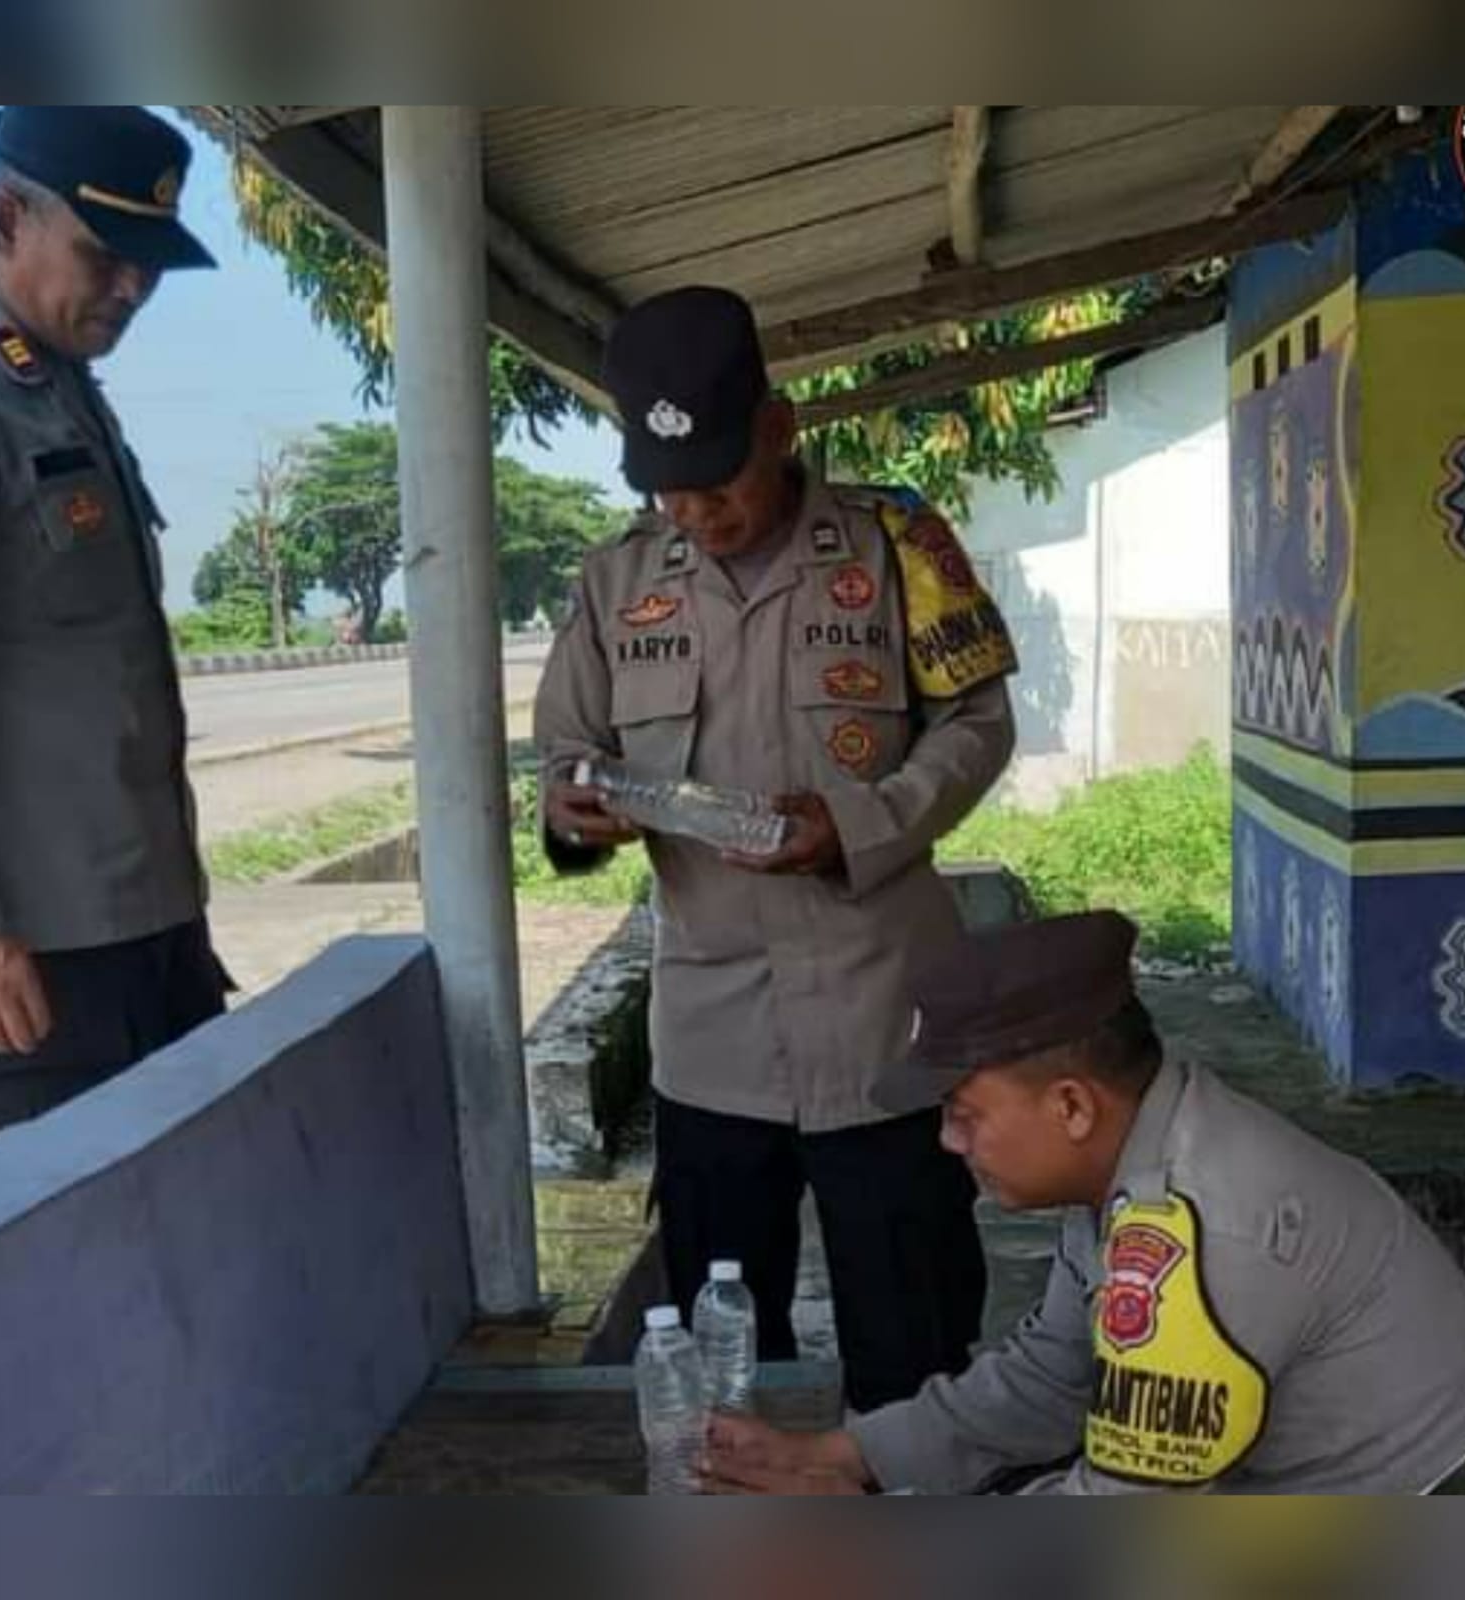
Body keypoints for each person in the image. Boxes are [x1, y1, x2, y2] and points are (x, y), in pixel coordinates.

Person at [534, 285, 1019, 1412]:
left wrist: (859, 821)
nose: (694, 510)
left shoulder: (898, 547)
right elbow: (566, 756)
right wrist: (572, 812)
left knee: (914, 1350)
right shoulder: (614, 583)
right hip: (710, 1045)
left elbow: (978, 724)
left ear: (778, 426)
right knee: (723, 1372)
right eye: (667, 487)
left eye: (717, 477)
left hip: (884, 1027)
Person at [703, 911, 1465, 1495]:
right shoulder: (1134, 1156)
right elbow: (1050, 1379)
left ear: (1071, 1106)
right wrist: (842, 1454)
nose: (948, 1140)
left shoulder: (1201, 1229)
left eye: (965, 1114)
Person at [0, 106, 228, 1152]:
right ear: (3, 219)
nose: (132, 288)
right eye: (105, 255)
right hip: (38, 967)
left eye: (148, 265)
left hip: (156, 930)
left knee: (200, 1219)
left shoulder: (63, 391)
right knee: (77, 1245)